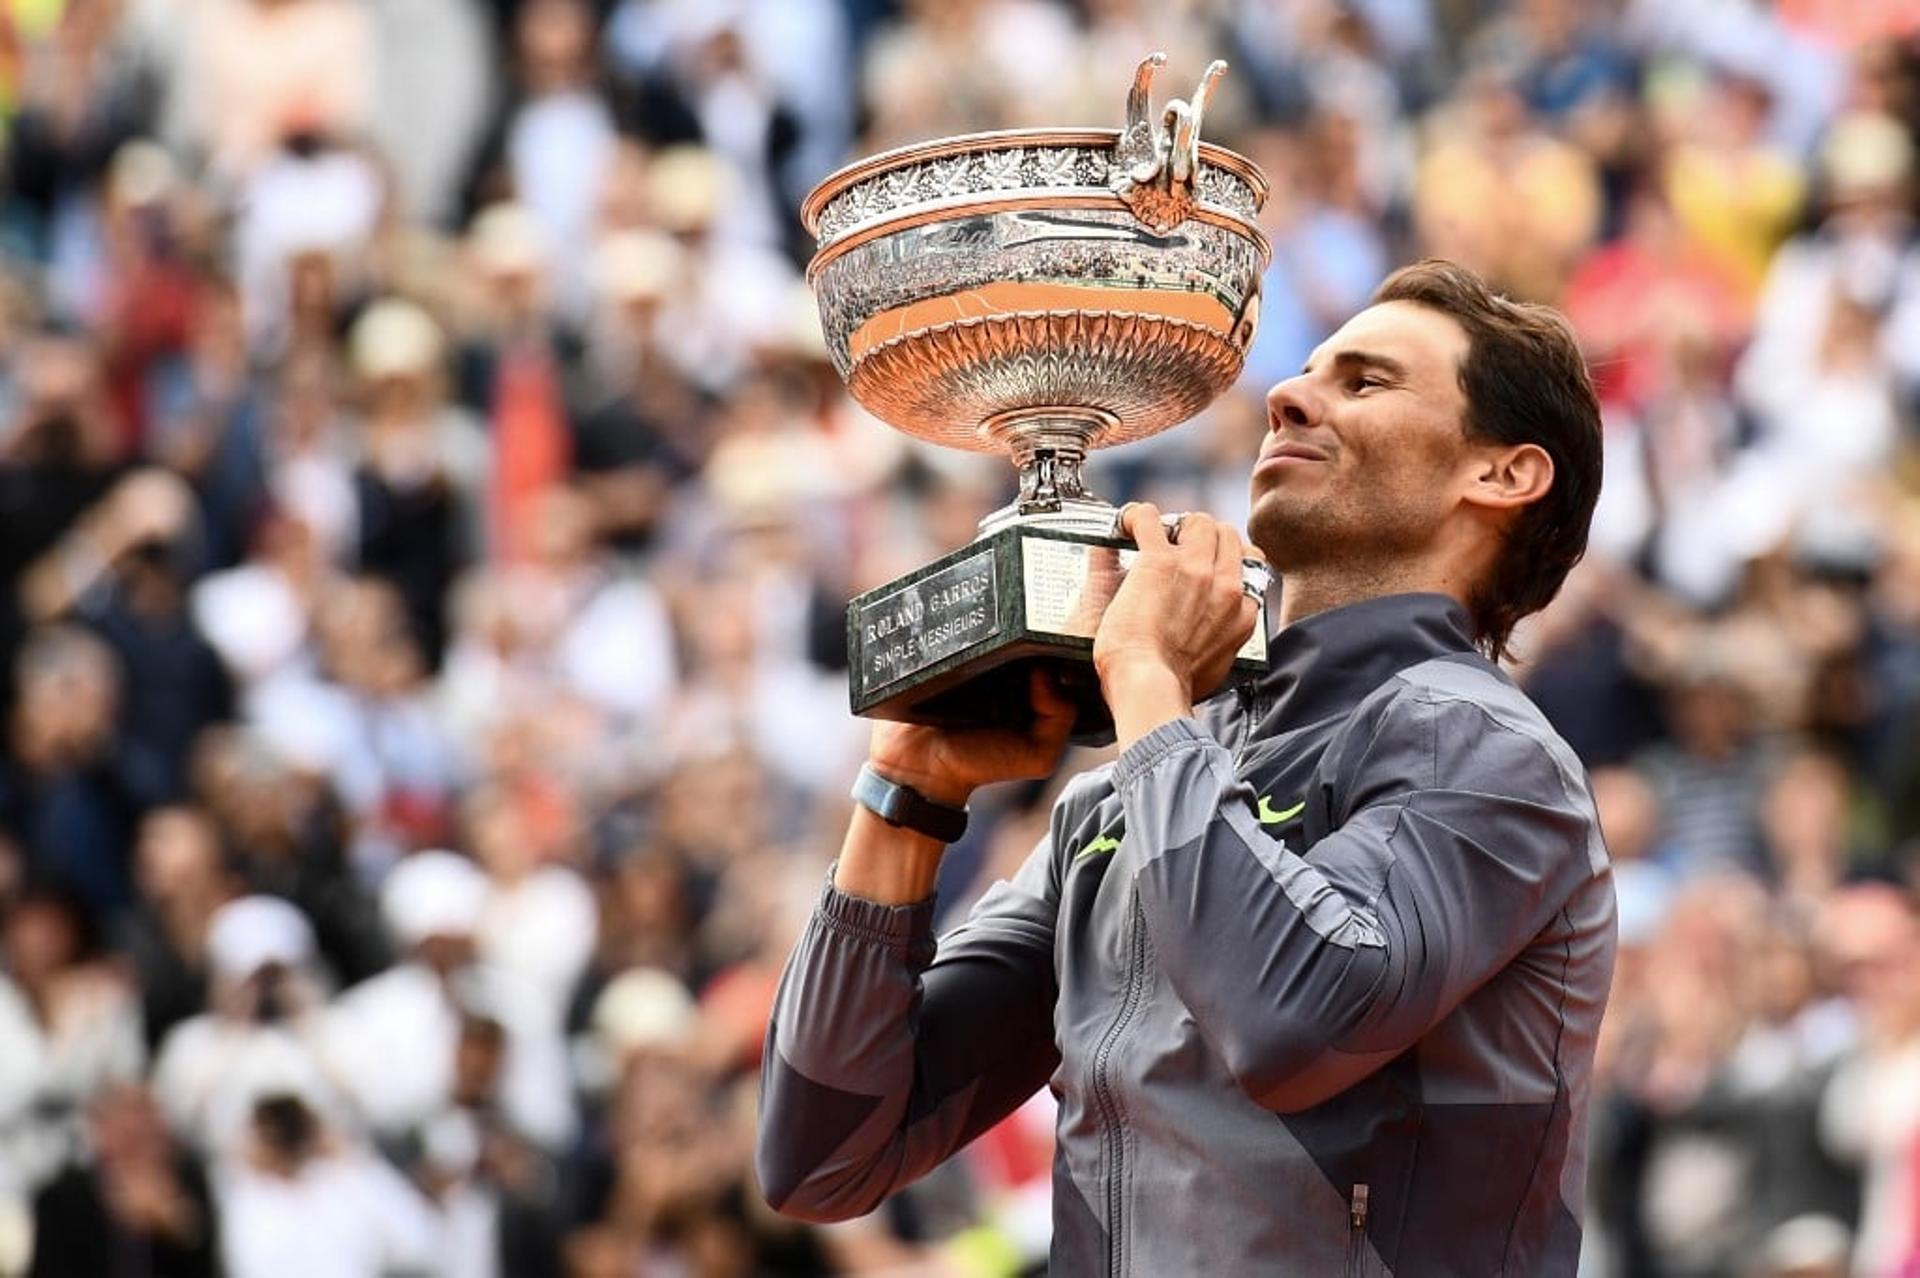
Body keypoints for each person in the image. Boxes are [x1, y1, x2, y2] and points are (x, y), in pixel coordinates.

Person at [757, 259, 1617, 1274]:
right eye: (1306, 372)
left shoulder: (1491, 756)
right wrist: (909, 793)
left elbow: (1290, 1019)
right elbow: (824, 1156)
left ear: (1503, 474)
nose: (1288, 395)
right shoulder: (1123, 795)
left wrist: (1152, 686)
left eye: (1366, 380)